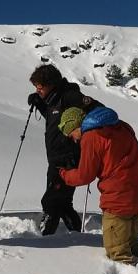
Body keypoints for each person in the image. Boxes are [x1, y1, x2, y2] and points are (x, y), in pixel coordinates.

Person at [57, 106, 138, 267]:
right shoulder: (121, 126)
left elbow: (85, 175)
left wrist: (63, 174)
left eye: (71, 135)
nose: (74, 140)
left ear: (76, 125)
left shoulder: (91, 137)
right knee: (131, 246)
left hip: (118, 199)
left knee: (118, 254)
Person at [27, 64, 101, 235]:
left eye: (40, 88)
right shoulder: (53, 100)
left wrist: (82, 131)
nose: (38, 91)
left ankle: (48, 239)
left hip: (67, 159)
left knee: (51, 202)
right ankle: (76, 234)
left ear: (51, 84)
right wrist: (40, 105)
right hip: (56, 158)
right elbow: (58, 119)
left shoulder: (70, 96)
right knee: (64, 203)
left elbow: (97, 110)